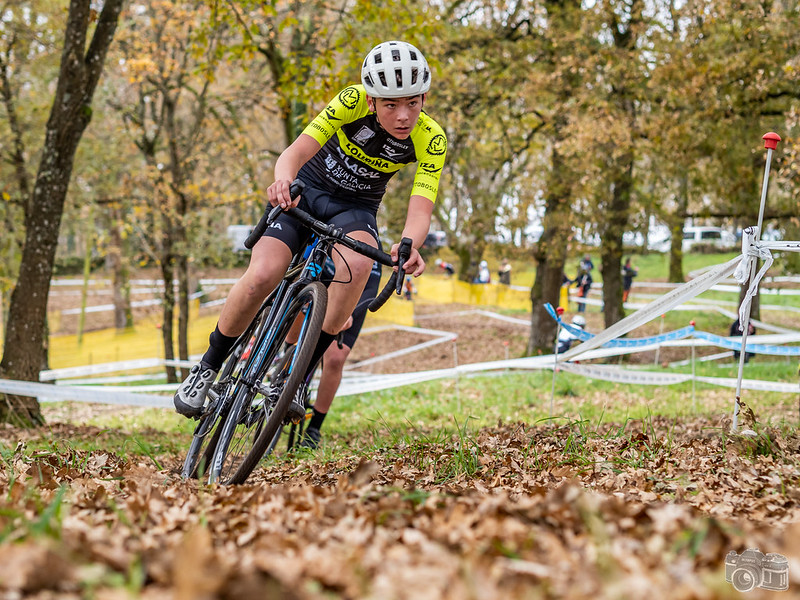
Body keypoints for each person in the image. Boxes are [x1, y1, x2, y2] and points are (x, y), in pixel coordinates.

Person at [174, 41, 447, 419]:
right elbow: (296, 151)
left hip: (356, 209)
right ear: (370, 101)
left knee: (361, 267)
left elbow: (420, 208)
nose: (404, 116)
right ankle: (207, 366)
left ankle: (295, 377)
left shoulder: (431, 138)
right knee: (263, 275)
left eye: (413, 104)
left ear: (424, 97)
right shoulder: (350, 100)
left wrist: (409, 244)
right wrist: (282, 181)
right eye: (390, 105)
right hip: (306, 191)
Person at [299, 262, 381, 449]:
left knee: (335, 360)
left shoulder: (369, 240)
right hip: (319, 284)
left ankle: (314, 428)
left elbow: (370, 289)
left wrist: (350, 313)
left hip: (349, 300)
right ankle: (286, 363)